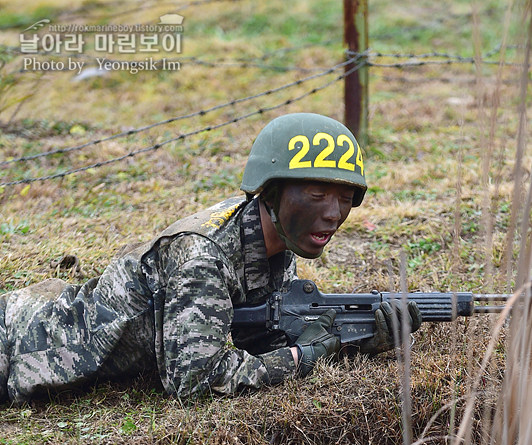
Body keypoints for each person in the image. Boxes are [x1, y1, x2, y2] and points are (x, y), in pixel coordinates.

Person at [0, 112, 420, 404]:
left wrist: (356, 339)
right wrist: (305, 357)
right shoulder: (202, 255)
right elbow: (195, 381)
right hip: (16, 346)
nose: (333, 213)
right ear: (270, 192)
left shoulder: (272, 239)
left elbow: (256, 337)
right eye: (315, 194)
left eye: (345, 199)